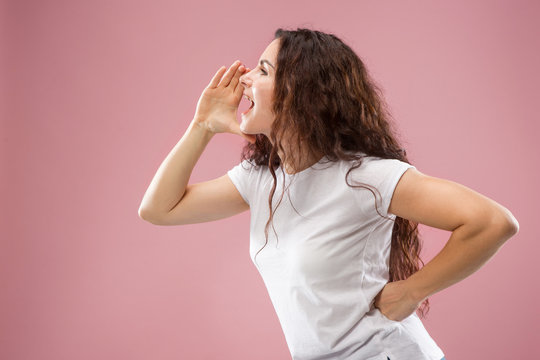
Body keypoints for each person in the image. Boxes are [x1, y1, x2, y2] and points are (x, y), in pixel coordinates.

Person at [138, 28, 519, 360]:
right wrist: (202, 125)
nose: (244, 80)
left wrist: (410, 292)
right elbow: (159, 209)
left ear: (301, 92)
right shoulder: (261, 179)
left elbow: (492, 222)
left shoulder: (363, 176)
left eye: (263, 70)